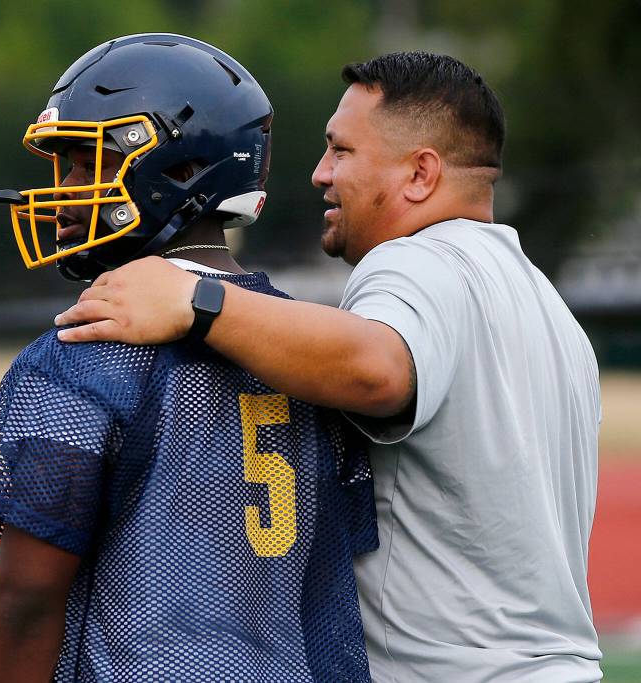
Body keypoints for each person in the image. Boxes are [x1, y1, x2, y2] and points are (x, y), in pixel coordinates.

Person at [54, 51, 603, 682]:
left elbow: (379, 370)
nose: (320, 174)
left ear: (420, 174)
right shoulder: (544, 301)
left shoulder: (416, 262)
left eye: (340, 151)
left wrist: (195, 300)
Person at [0, 33, 378, 682]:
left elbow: (21, 599)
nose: (66, 190)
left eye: (84, 162)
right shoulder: (312, 347)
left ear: (179, 169)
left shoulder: (83, 352)